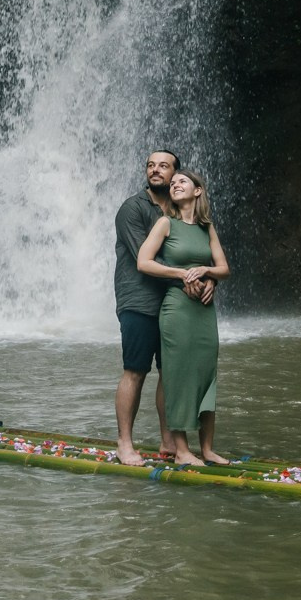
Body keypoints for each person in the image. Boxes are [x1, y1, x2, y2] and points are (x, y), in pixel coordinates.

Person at [112, 149, 213, 466]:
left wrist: (209, 278)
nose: (155, 170)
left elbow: (197, 257)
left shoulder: (183, 214)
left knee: (170, 373)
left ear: (177, 175)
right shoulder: (132, 209)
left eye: (164, 166)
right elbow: (149, 260)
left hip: (173, 304)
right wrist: (189, 277)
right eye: (150, 165)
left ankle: (169, 441)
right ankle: (124, 444)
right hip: (139, 301)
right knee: (135, 371)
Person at [136, 167, 230, 465]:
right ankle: (181, 451)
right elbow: (143, 262)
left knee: (206, 374)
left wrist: (208, 273)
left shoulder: (207, 227)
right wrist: (181, 274)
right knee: (177, 376)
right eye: (172, 183)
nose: (175, 184)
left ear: (197, 190)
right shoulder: (165, 224)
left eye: (182, 182)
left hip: (204, 311)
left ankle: (207, 448)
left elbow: (224, 268)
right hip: (177, 308)